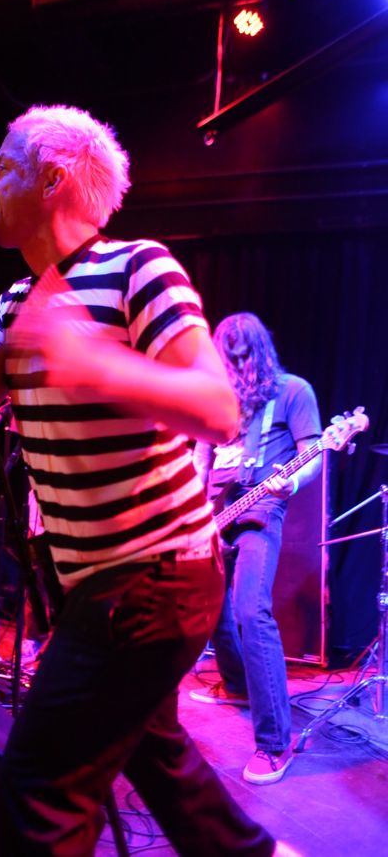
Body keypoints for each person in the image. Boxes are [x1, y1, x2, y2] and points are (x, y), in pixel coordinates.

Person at [0, 106, 288, 855]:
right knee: (161, 761)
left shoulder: (138, 267)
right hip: (100, 583)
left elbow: (220, 409)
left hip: (154, 577)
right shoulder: (18, 301)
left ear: (51, 179)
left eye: (3, 167)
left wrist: (94, 363)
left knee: (41, 783)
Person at [191, 313, 322, 786]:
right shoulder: (218, 399)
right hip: (213, 513)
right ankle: (239, 685)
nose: (238, 365)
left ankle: (274, 742)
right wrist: (192, 509)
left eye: (245, 356)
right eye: (230, 358)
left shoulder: (292, 391)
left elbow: (313, 451)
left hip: (261, 508)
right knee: (208, 608)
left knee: (250, 610)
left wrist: (292, 481)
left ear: (261, 353)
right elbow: (201, 457)